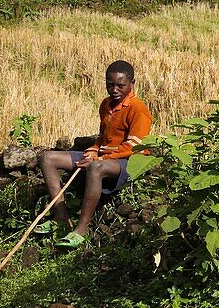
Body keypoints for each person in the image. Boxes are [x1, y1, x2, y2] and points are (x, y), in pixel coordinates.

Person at [37, 60, 152, 249]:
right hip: (103, 157)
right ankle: (60, 216)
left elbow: (134, 146)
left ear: (132, 83)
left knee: (95, 167)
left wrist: (100, 158)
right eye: (110, 84)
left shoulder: (138, 108)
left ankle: (81, 229)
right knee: (47, 158)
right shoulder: (106, 105)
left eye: (120, 85)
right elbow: (103, 138)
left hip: (126, 160)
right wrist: (92, 150)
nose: (114, 89)